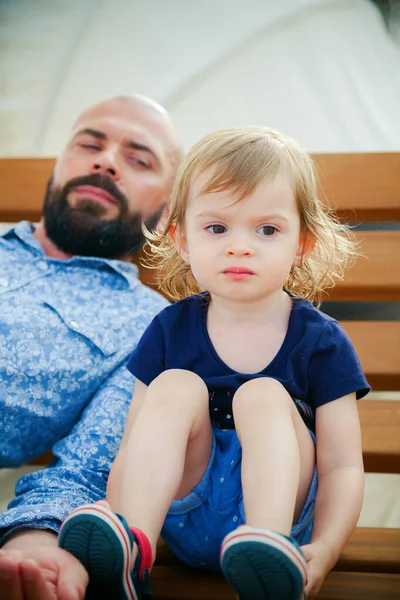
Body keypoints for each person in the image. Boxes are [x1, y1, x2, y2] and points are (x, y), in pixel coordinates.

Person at [58, 126, 369, 600]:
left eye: (267, 230)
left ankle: (267, 550)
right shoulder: (169, 329)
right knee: (175, 386)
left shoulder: (319, 341)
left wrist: (325, 549)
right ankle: (133, 546)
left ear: (301, 243)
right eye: (217, 227)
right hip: (187, 518)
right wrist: (116, 509)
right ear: (182, 240)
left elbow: (343, 466)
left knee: (263, 394)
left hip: (285, 520)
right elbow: (134, 447)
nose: (239, 246)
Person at [0, 94, 182, 600]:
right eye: (90, 143)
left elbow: (89, 463)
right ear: (58, 167)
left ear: (166, 214)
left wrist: (36, 537)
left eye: (139, 158)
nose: (106, 161)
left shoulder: (150, 327)